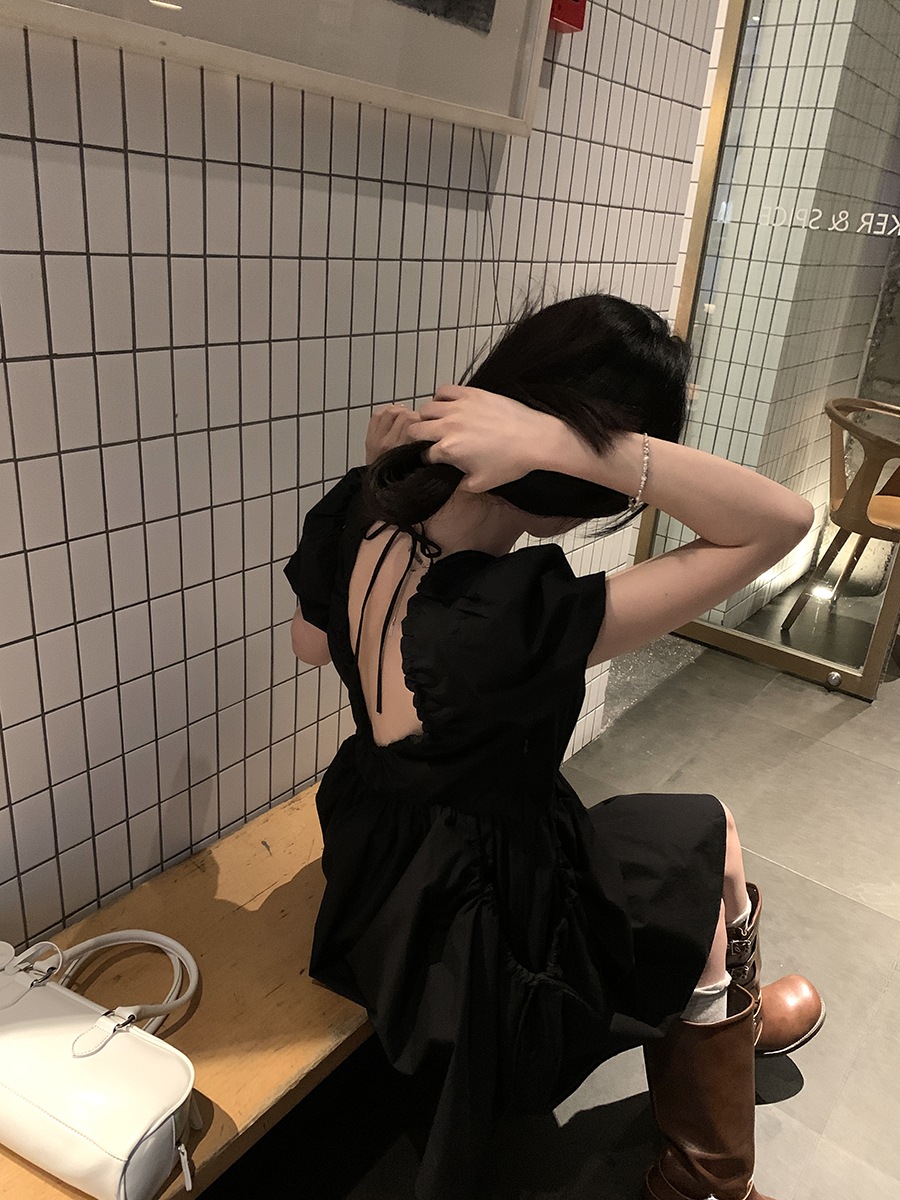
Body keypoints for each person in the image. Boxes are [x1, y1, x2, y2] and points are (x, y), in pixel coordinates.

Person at [285, 295, 825, 1200]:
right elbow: (782, 520)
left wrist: (395, 470)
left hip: (377, 859)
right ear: (584, 485)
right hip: (487, 924)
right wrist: (573, 444)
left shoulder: (359, 507)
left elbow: (311, 643)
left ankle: (727, 1021)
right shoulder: (515, 617)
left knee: (696, 847)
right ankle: (707, 1161)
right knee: (708, 839)